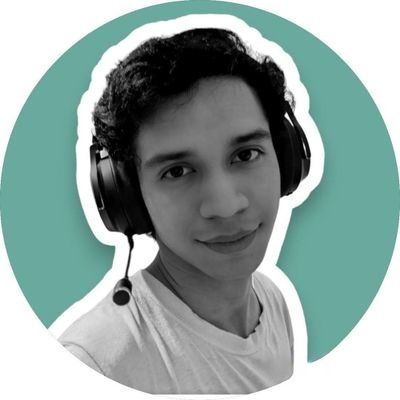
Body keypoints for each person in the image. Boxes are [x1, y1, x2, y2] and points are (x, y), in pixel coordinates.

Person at [59, 27, 311, 394]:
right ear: (128, 197)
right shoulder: (95, 363)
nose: (226, 206)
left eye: (245, 155)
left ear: (285, 157)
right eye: (177, 171)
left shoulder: (271, 303)